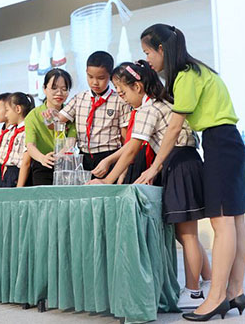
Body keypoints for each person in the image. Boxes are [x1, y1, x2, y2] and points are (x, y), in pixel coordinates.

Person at [136, 24, 245, 321]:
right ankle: (234, 291)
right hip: (230, 143)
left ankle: (216, 297)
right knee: (235, 221)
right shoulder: (201, 70)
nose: (147, 59)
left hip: (219, 145)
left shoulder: (186, 75)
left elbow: (174, 128)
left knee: (222, 223)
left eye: (148, 52)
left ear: (162, 49)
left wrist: (155, 167)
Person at [90, 61, 212, 308]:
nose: (123, 99)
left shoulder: (150, 108)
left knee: (187, 233)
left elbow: (132, 150)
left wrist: (107, 181)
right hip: (184, 163)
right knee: (184, 232)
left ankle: (194, 291)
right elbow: (132, 144)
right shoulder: (162, 103)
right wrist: (110, 161)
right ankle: (208, 279)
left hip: (179, 164)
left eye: (123, 92)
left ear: (138, 86)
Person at [50, 51, 130, 178]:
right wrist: (49, 117)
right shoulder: (79, 98)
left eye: (101, 78)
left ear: (110, 76)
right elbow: (57, 122)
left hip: (109, 157)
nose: (95, 82)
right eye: (90, 77)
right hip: (84, 159)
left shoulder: (119, 101)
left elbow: (125, 139)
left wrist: (123, 169)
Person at [24, 69, 76, 185]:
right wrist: (42, 158)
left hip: (66, 164)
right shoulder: (33, 116)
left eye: (64, 89)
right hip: (43, 164)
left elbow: (72, 140)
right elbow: (30, 145)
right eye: (54, 88)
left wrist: (61, 155)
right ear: (44, 89)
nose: (59, 93)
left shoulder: (71, 113)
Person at [0, 92, 34, 187]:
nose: (6, 115)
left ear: (18, 109)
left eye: (7, 110)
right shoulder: (12, 131)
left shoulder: (27, 131)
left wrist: (19, 188)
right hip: (8, 175)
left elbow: (26, 163)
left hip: (18, 175)